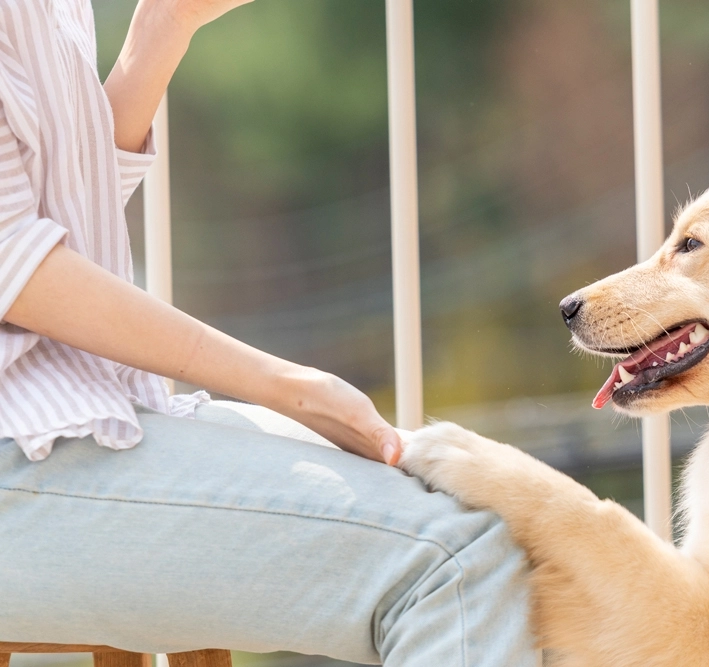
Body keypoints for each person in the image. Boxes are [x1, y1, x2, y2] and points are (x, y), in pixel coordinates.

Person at [0, 1, 538, 665]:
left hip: (73, 422)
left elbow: (65, 212)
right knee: (458, 563)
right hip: (23, 451)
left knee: (478, 517)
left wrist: (163, 26)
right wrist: (285, 385)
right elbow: (15, 262)